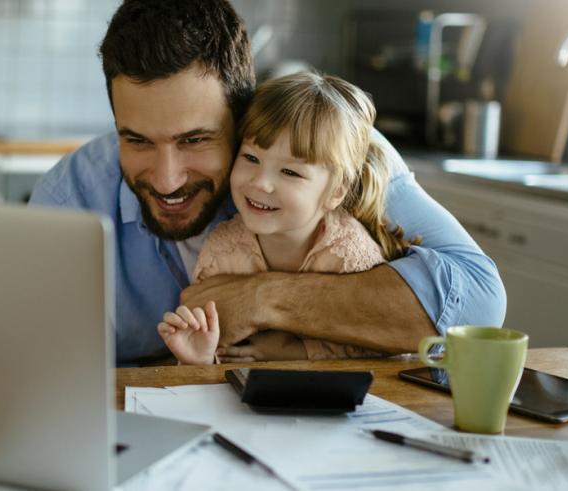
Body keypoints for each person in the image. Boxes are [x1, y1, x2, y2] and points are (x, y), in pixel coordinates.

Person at [29, 0, 505, 366]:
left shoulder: (319, 148)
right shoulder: (68, 201)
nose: (167, 178)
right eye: (136, 139)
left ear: (241, 116)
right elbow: (30, 369)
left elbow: (479, 303)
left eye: (195, 139)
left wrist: (260, 298)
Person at [158, 72, 411, 365]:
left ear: (337, 191)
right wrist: (199, 356)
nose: (261, 183)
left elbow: (385, 348)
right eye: (251, 158)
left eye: (290, 172)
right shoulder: (222, 249)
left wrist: (293, 352)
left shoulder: (351, 257)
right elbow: (217, 352)